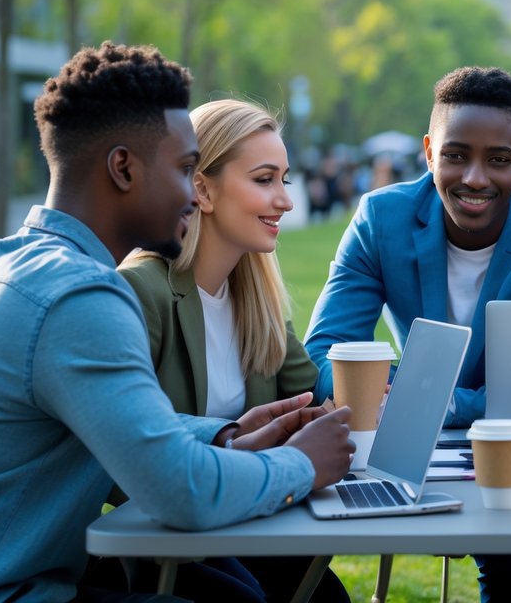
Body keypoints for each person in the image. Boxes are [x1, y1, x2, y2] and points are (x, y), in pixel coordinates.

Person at [0, 42, 354, 602]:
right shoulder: (79, 295)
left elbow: (129, 427)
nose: (195, 193)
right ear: (123, 168)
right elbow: (179, 491)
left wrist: (225, 435)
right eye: (186, 169)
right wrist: (301, 465)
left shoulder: (5, 261)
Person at [304, 66, 511, 602]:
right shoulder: (381, 218)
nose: (475, 178)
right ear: (428, 151)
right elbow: (322, 354)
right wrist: (390, 394)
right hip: (406, 444)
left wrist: (425, 399)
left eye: (499, 160)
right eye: (456, 154)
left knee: (510, 560)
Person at [119, 98, 348, 602]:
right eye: (264, 179)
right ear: (201, 188)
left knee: (327, 596)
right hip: (164, 538)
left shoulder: (255, 294)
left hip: (244, 521)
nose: (285, 201)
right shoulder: (141, 291)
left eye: (284, 180)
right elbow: (123, 459)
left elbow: (308, 392)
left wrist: (365, 380)